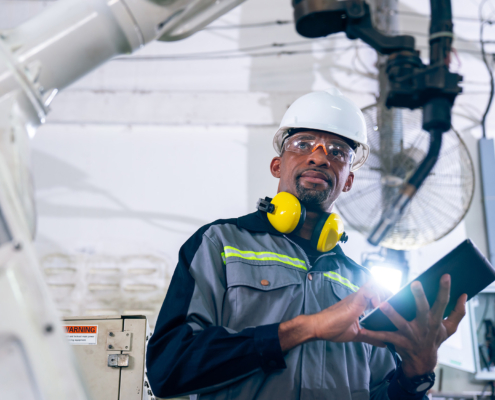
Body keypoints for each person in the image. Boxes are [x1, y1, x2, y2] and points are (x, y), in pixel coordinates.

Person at [146, 88, 467, 400]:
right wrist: (304, 328)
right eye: (303, 144)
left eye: (338, 152)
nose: (319, 157)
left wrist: (415, 376)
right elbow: (168, 367)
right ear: (277, 165)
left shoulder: (363, 285)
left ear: (349, 180)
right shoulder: (220, 244)